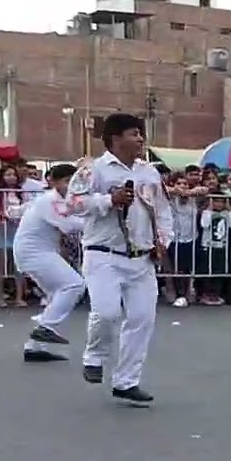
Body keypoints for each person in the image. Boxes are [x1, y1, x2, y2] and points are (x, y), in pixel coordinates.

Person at [68, 113, 173, 405]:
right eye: (133, 133)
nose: (140, 139)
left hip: (142, 258)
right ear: (115, 138)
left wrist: (163, 241)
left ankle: (127, 381)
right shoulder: (94, 171)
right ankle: (94, 356)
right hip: (103, 256)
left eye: (141, 133)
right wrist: (107, 201)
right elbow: (73, 204)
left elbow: (163, 211)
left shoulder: (149, 172)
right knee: (107, 312)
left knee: (141, 318)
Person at [12, 163, 87, 363]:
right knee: (74, 284)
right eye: (66, 181)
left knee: (57, 294)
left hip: (40, 251)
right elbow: (67, 225)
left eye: (74, 181)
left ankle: (34, 348)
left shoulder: (60, 200)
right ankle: (46, 328)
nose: (70, 185)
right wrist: (96, 224)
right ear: (53, 182)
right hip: (33, 252)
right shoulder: (49, 200)